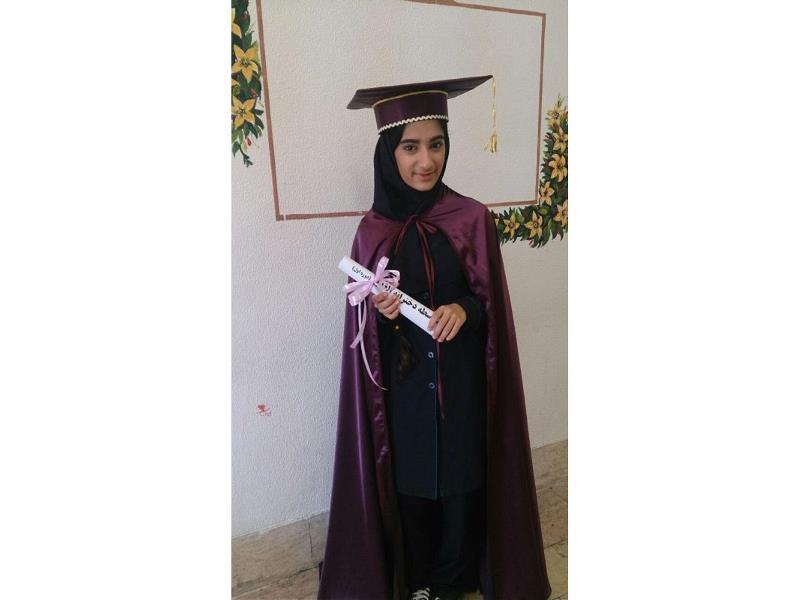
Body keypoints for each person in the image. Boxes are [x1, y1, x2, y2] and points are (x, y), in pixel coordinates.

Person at [318, 76, 551, 600]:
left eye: (436, 144)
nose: (426, 161)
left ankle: (452, 581)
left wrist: (464, 309)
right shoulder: (371, 230)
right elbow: (365, 339)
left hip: (463, 386)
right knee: (412, 486)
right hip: (404, 395)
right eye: (410, 147)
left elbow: (490, 306)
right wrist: (382, 314)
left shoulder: (472, 219)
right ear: (389, 152)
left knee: (463, 485)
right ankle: (417, 580)